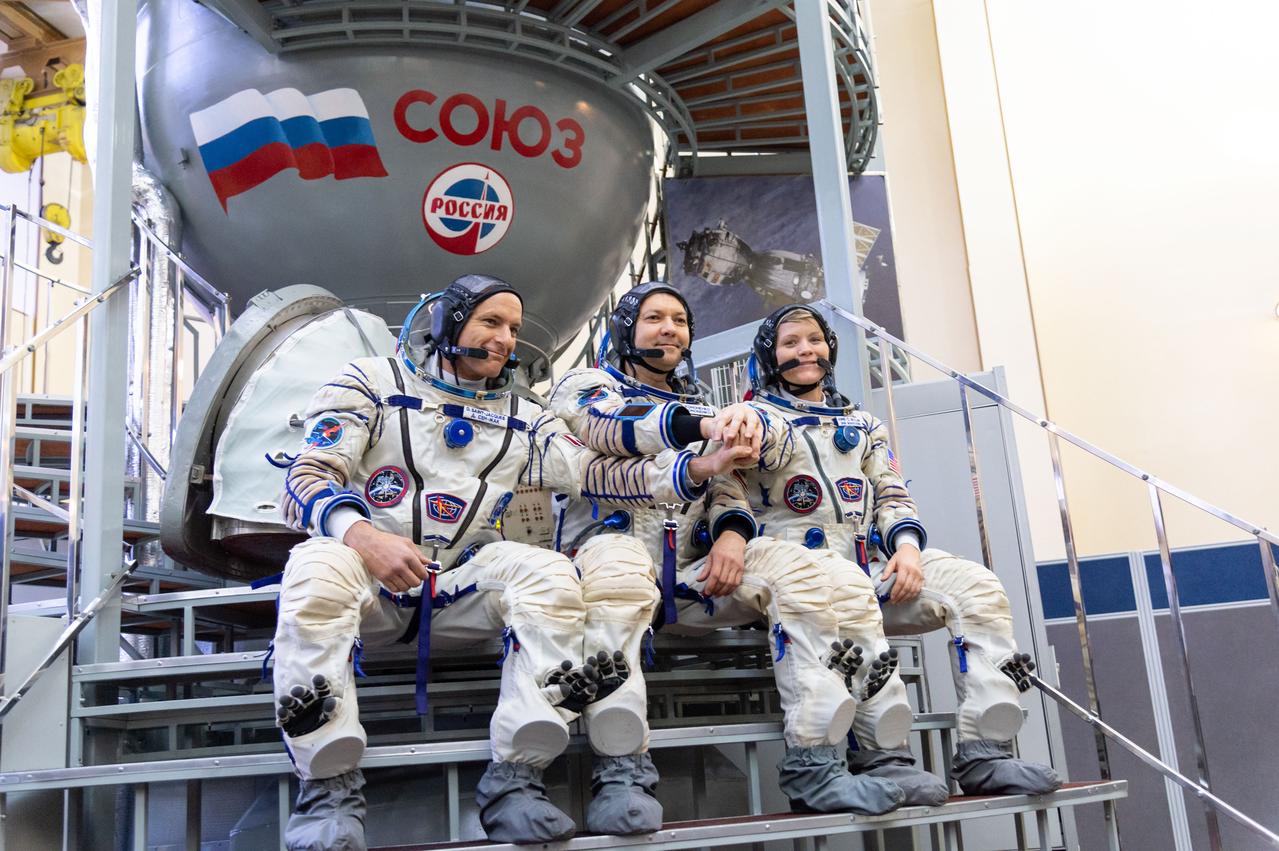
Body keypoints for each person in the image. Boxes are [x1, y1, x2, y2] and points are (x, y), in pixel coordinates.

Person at [272, 275, 732, 850]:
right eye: (491, 322)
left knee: (550, 573)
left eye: (513, 329)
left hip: (460, 578)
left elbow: (595, 473)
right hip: (367, 572)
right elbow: (306, 478)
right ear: (446, 322)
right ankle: (328, 791)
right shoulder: (370, 383)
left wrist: (692, 472)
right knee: (316, 565)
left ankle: (516, 779)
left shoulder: (528, 416)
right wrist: (364, 537)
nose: (505, 339)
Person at [546, 282, 906, 817]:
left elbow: (727, 488)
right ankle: (621, 774)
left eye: (679, 320)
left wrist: (734, 537)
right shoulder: (586, 386)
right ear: (626, 329)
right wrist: (705, 434)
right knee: (621, 575)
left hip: (689, 574)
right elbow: (609, 433)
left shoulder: (702, 406)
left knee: (803, 569)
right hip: (605, 559)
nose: (669, 328)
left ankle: (817, 762)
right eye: (654, 318)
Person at [739, 303, 1062, 804]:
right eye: (790, 342)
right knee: (842, 589)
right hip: (796, 578)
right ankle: (885, 755)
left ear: (831, 348)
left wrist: (907, 551)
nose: (806, 349)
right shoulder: (753, 422)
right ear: (769, 356)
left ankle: (987, 752)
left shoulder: (862, 426)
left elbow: (891, 495)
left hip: (865, 566)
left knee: (976, 588)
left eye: (815, 339)